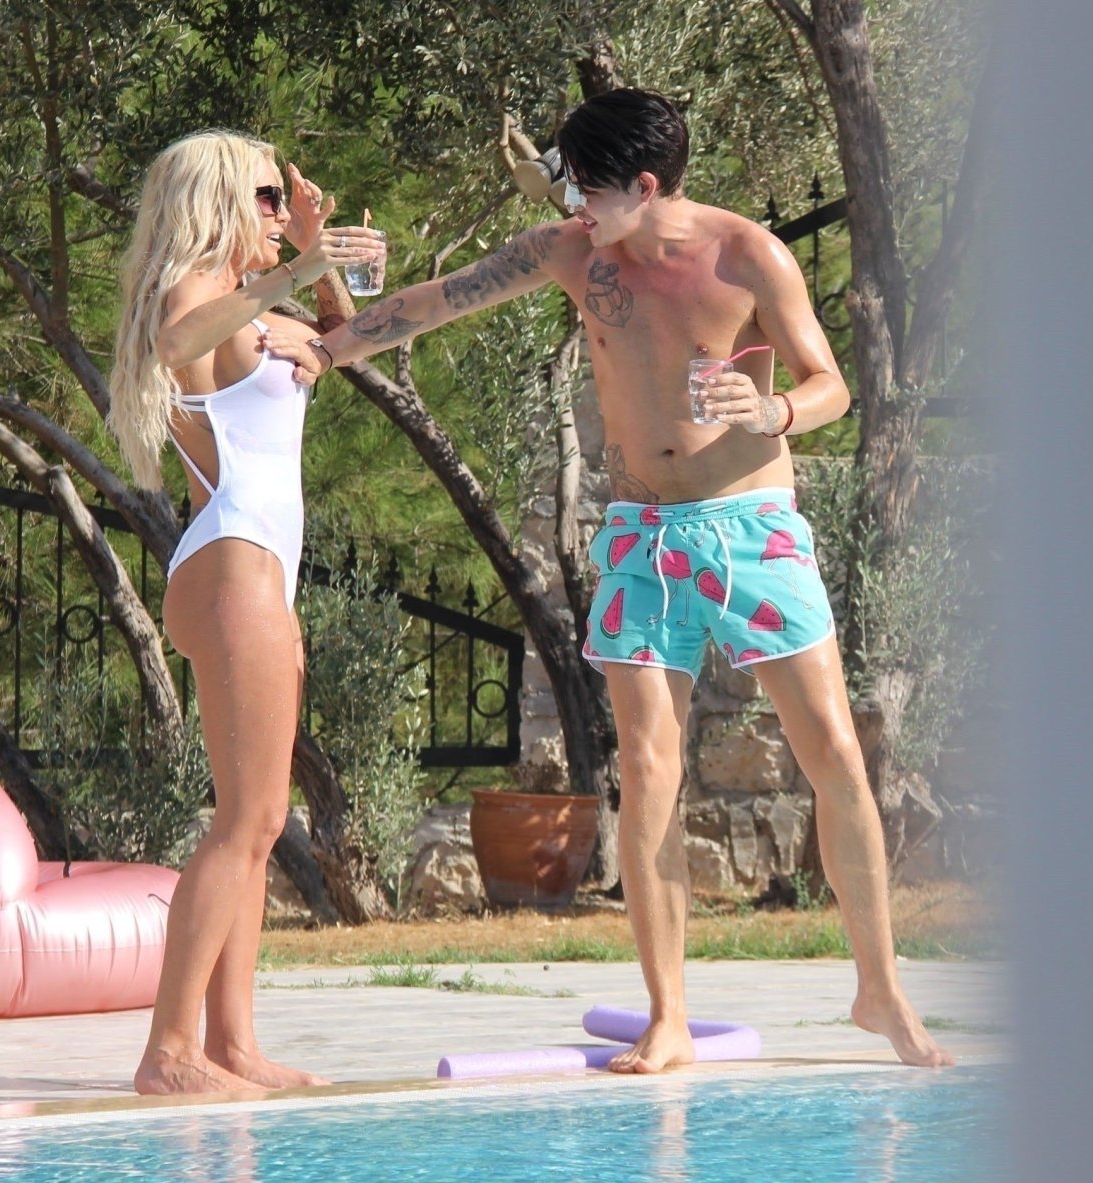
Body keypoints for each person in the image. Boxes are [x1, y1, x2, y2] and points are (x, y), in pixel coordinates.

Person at [272, 89, 954, 1072]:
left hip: (752, 530)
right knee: (647, 770)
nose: (572, 205)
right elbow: (442, 297)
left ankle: (879, 988)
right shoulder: (571, 253)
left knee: (836, 755)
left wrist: (774, 414)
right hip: (640, 536)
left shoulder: (749, 256)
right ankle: (667, 1014)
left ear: (643, 184)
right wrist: (330, 346)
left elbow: (830, 384)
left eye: (588, 190)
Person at [108, 130, 385, 1094]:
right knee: (246, 820)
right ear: (218, 201)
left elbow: (348, 342)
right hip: (234, 561)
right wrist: (296, 269)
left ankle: (232, 1043)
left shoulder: (254, 302)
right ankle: (168, 1052)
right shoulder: (196, 293)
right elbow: (175, 345)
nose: (280, 210)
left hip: (257, 567)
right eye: (267, 197)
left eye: (284, 198)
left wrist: (314, 259)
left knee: (262, 825)